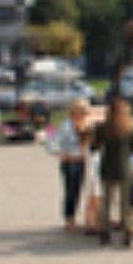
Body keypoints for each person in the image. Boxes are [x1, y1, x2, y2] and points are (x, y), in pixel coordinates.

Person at [92, 96, 133, 248]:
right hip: (124, 168)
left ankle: (104, 233)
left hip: (107, 167)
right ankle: (127, 234)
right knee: (125, 203)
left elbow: (94, 148)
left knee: (106, 202)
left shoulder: (102, 128)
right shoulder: (128, 129)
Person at [49, 99, 91, 232]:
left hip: (83, 161)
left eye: (86, 113)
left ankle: (80, 217)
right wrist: (62, 155)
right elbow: (51, 144)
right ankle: (69, 218)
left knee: (81, 190)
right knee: (71, 191)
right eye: (82, 112)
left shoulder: (86, 125)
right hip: (70, 162)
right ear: (75, 112)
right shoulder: (66, 126)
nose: (84, 115)